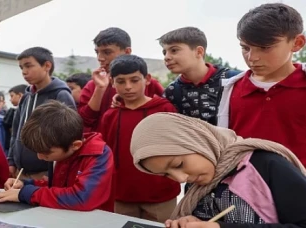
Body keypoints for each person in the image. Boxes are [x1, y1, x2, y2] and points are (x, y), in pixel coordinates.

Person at [130, 113, 306, 228]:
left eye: (178, 164)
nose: (181, 178)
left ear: (197, 140)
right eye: (166, 174)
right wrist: (193, 222)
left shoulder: (265, 165)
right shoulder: (196, 185)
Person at [217, 3, 306, 166]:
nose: (252, 57)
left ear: (297, 43)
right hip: (243, 186)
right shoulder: (231, 89)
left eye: (265, 48)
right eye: (245, 48)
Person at [0, 101, 114, 212]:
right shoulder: (61, 146)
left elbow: (81, 198)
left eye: (46, 153)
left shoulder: (98, 154)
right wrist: (25, 184)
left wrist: (26, 194)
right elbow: (57, 187)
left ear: (75, 145)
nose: (40, 157)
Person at [101, 55, 180, 222]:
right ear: (112, 82)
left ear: (147, 79)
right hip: (121, 195)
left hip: (161, 195)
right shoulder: (110, 116)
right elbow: (106, 155)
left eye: (134, 80)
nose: (128, 87)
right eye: (121, 81)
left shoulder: (164, 109)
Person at [7, 47, 76, 179]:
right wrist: (11, 159)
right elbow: (16, 131)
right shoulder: (26, 97)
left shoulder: (60, 94)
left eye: (28, 66)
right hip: (21, 172)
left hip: (46, 173)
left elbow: (69, 135)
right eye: (21, 68)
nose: (24, 72)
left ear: (47, 66)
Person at [78, 27, 164, 132]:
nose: (100, 58)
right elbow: (85, 121)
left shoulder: (147, 84)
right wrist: (100, 89)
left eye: (107, 52)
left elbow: (164, 110)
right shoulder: (92, 86)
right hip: (104, 145)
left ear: (127, 51)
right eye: (97, 52)